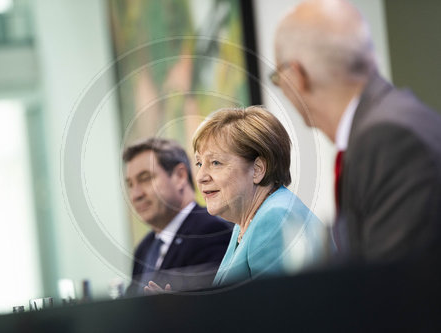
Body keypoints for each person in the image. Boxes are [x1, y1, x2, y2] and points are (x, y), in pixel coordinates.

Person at [273, 0, 441, 262]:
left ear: (297, 76)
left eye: (277, 77)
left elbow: (396, 289)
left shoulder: (387, 140)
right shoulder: (388, 124)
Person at [145, 106, 326, 292]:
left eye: (215, 163)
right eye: (200, 163)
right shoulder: (245, 221)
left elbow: (277, 316)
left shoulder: (275, 218)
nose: (200, 176)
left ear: (257, 170)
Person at [123, 138, 232, 296]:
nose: (135, 194)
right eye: (131, 185)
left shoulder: (211, 232)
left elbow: (213, 308)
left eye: (145, 178)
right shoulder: (144, 248)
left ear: (180, 177)